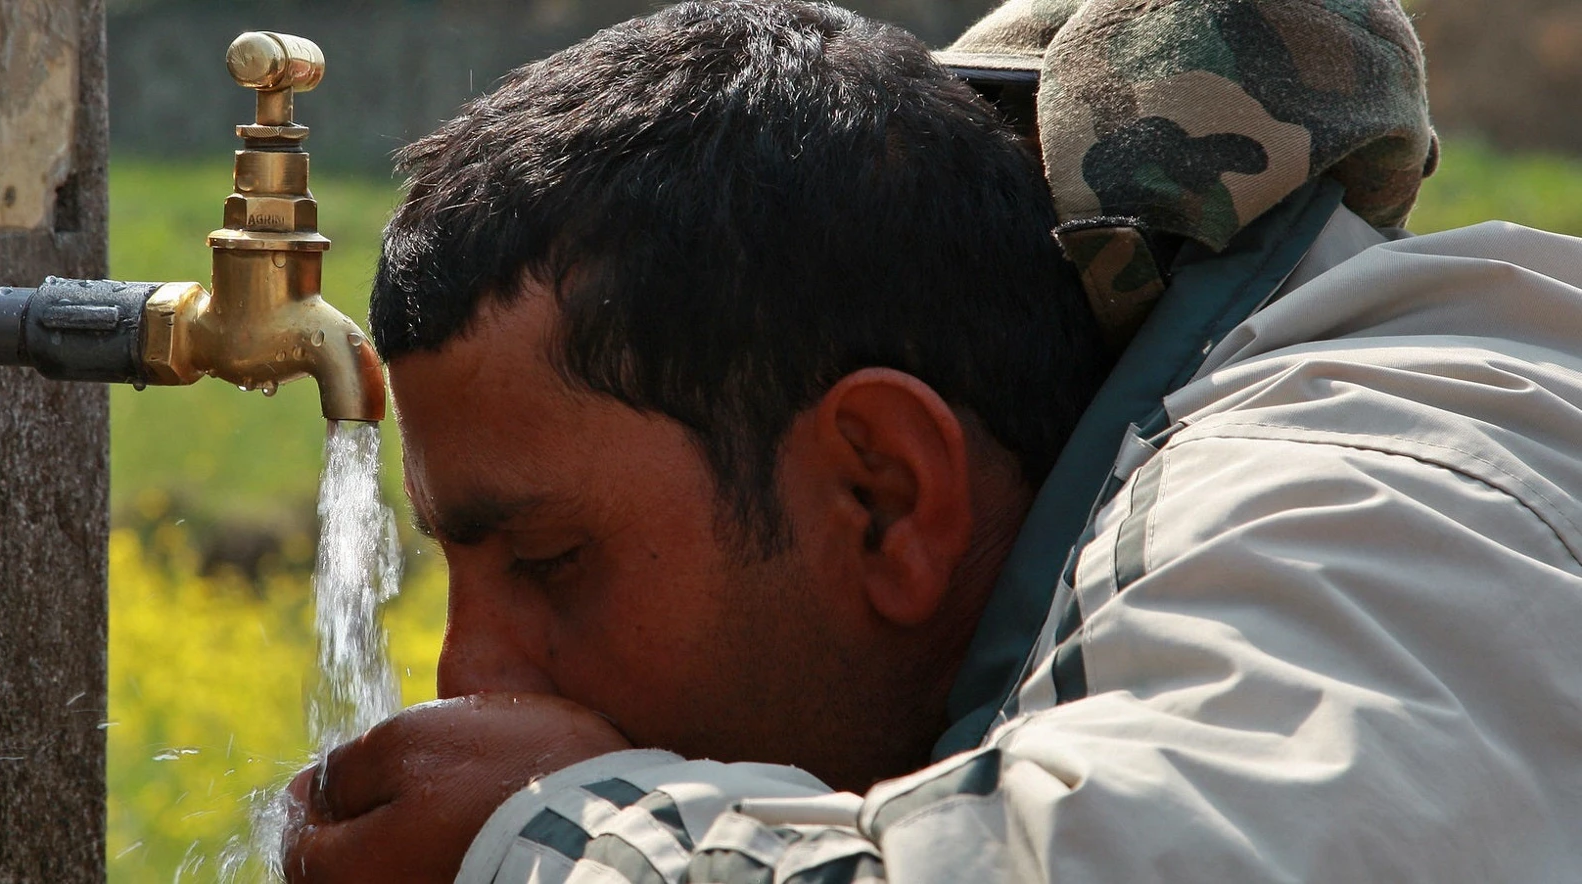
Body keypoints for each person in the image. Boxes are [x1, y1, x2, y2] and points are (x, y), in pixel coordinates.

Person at [280, 1, 1582, 881]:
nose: (467, 675)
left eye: (554, 561)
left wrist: (543, 841)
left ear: (886, 496)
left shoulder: (1367, 475)